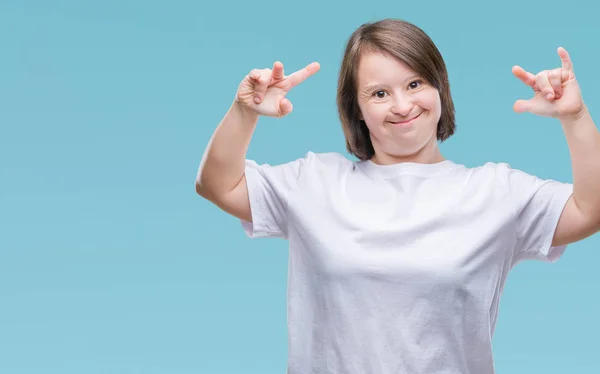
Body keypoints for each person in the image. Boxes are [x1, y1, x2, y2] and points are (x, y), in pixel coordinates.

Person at [195, 18, 600, 374]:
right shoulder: (314, 181)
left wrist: (575, 117)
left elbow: (590, 210)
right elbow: (218, 184)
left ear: (439, 86)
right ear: (356, 108)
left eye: (414, 83)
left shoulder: (495, 191)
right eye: (379, 93)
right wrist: (244, 111)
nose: (403, 105)